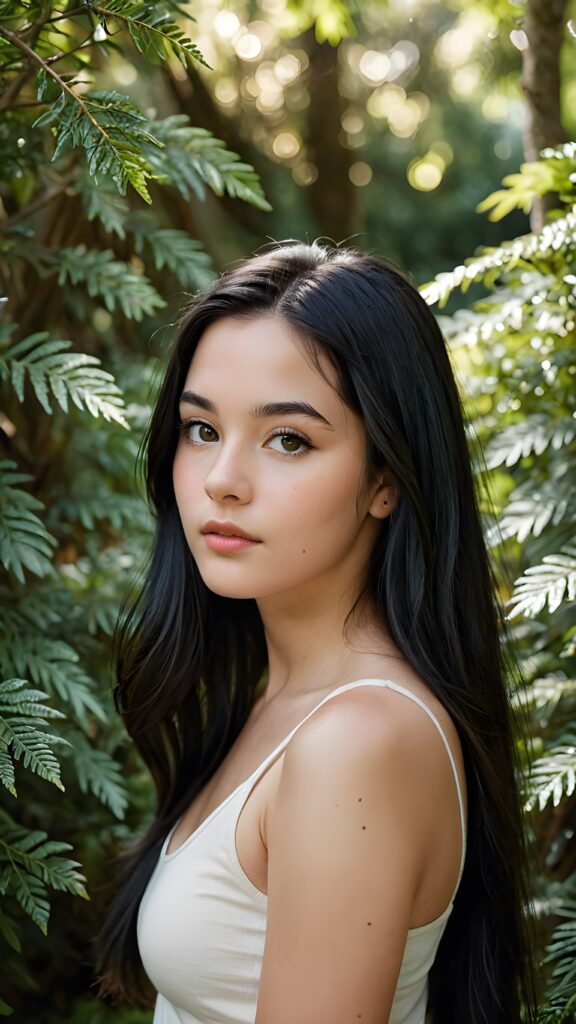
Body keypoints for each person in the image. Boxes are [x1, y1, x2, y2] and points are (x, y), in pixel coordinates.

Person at [94, 242, 536, 1024]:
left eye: (287, 439)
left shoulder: (358, 740)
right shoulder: (283, 699)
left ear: (387, 481)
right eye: (201, 429)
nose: (222, 478)